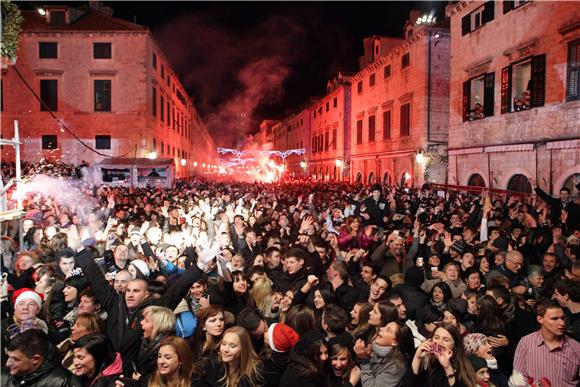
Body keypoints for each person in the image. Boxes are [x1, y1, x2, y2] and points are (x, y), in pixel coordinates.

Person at [512, 299, 580, 387]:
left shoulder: (576, 347)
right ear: (540, 319)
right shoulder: (526, 343)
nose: (562, 323)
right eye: (554, 319)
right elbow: (519, 379)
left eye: (563, 318)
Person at [410, 323, 477, 387]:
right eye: (436, 337)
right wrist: (417, 357)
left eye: (446, 340)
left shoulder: (462, 368)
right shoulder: (425, 361)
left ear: (455, 346)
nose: (439, 343)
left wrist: (448, 368)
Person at [354, 321, 414, 387]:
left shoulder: (396, 367)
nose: (381, 328)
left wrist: (364, 360)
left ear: (395, 342)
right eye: (385, 326)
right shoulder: (374, 348)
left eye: (388, 330)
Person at [3, 329, 71, 386]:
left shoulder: (61, 381)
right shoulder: (3, 375)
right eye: (9, 357)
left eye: (15, 359)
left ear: (35, 359)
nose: (8, 364)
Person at [137, 306, 176, 377]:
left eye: (146, 321)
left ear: (158, 326)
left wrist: (140, 380)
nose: (141, 322)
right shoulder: (144, 343)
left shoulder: (169, 348)